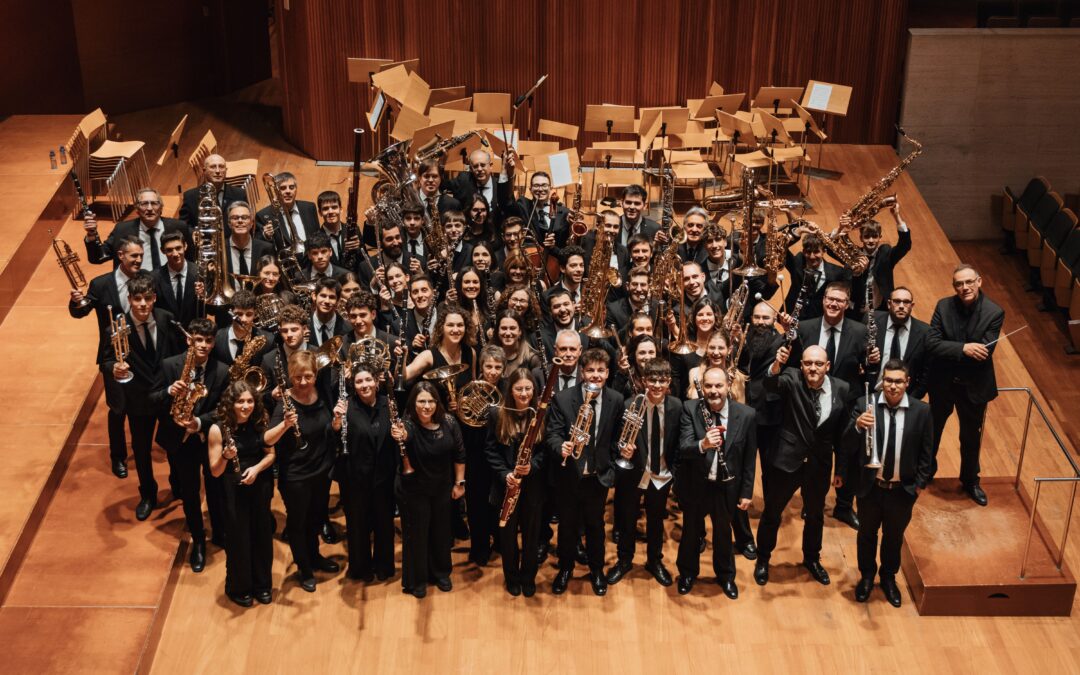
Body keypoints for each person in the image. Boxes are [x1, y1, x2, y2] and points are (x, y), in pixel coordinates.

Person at [755, 344, 850, 587]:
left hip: (818, 465)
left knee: (816, 515)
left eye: (818, 364)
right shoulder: (791, 379)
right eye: (808, 363)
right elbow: (770, 384)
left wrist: (840, 470)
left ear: (827, 366)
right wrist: (777, 365)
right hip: (787, 460)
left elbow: (840, 434)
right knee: (772, 513)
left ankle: (811, 559)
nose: (813, 368)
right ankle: (763, 559)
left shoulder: (842, 388)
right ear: (801, 365)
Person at [841, 359, 933, 608]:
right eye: (888, 380)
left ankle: (889, 578)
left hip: (902, 491)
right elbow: (846, 445)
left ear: (907, 383)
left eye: (898, 381)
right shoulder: (864, 405)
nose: (892, 386)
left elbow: (927, 452)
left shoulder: (921, 411)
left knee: (894, 537)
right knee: (867, 535)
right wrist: (858, 426)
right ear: (883, 381)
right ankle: (867, 577)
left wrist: (919, 484)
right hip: (871, 488)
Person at [791, 280, 877, 529]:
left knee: (847, 456)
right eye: (830, 298)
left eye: (839, 300)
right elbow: (796, 365)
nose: (833, 304)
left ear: (847, 304)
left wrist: (872, 361)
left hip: (846, 406)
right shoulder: (805, 328)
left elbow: (868, 372)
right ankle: (810, 504)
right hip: (813, 405)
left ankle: (843, 506)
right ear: (823, 300)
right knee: (813, 458)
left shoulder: (860, 332)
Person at [102, 272, 183, 520]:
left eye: (147, 298)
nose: (142, 304)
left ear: (154, 298)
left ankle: (177, 484)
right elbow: (104, 360)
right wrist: (113, 368)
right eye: (137, 299)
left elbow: (178, 354)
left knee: (174, 446)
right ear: (129, 299)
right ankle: (147, 493)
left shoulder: (166, 319)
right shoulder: (116, 328)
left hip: (168, 396)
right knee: (141, 449)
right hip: (139, 399)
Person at [151, 317, 230, 572]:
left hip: (207, 439)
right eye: (198, 340)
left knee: (216, 488)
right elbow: (152, 399)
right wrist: (167, 392)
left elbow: (225, 409)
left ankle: (219, 532)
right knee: (190, 493)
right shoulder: (169, 365)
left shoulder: (221, 370)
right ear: (189, 340)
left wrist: (199, 422)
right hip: (180, 441)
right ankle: (198, 541)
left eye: (208, 340)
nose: (204, 345)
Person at [547, 347, 625, 596]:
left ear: (608, 372)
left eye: (600, 371)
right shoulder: (563, 398)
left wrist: (611, 467)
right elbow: (553, 433)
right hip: (569, 474)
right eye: (590, 370)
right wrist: (562, 446)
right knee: (567, 526)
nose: (595, 375)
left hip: (598, 477)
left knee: (595, 526)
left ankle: (597, 570)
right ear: (582, 372)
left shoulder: (615, 399)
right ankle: (565, 568)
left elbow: (615, 437)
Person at [675, 366, 757, 597]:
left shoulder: (746, 415)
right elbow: (683, 447)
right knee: (691, 533)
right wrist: (703, 444)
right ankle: (688, 574)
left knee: (723, 533)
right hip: (697, 485)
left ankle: (726, 576)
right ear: (702, 386)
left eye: (718, 385)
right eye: (708, 385)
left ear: (728, 386)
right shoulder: (690, 409)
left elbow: (749, 458)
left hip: (726, 486)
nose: (713, 391)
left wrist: (746, 492)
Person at [926, 264, 1004, 506]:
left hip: (973, 386)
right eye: (959, 284)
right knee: (932, 431)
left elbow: (984, 353)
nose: (964, 287)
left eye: (969, 282)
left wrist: (951, 349)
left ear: (979, 282)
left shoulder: (994, 312)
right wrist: (963, 348)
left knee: (970, 437)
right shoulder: (943, 306)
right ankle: (925, 472)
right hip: (944, 383)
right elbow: (931, 343)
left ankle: (970, 480)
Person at [69, 236, 144, 478]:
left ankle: (141, 451)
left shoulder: (146, 280)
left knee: (140, 409)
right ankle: (118, 457)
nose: (139, 260)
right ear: (120, 256)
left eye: (141, 256)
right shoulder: (101, 284)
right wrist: (76, 302)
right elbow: (82, 311)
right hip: (113, 357)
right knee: (118, 409)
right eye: (134, 256)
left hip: (142, 355)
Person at [264, 350, 338, 592]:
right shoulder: (284, 402)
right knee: (298, 523)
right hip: (295, 475)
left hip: (321, 470)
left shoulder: (322, 394)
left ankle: (315, 556)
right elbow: (267, 439)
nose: (303, 382)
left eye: (308, 376)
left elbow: (329, 428)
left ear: (315, 375)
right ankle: (304, 567)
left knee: (316, 518)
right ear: (290, 377)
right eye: (298, 378)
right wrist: (285, 424)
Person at [607, 359, 682, 588]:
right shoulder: (630, 404)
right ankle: (624, 560)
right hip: (634, 473)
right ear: (642, 381)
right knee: (627, 520)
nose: (657, 385)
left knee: (656, 521)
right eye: (652, 380)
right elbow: (615, 438)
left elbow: (678, 443)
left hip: (661, 473)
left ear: (669, 381)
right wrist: (623, 448)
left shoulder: (677, 407)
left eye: (662, 380)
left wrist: (674, 472)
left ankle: (654, 561)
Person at [393, 381, 466, 598]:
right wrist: (400, 435)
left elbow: (460, 455)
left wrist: (459, 483)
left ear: (437, 402)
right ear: (414, 403)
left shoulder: (450, 422)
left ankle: (441, 573)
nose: (426, 406)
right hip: (414, 489)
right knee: (417, 534)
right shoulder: (408, 425)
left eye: (430, 401)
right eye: (421, 401)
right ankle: (418, 579)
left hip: (442, 487)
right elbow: (404, 435)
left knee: (441, 532)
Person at [208, 381, 276, 607]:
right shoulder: (218, 429)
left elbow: (270, 455)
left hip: (259, 484)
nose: (245, 406)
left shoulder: (259, 423)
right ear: (231, 404)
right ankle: (239, 587)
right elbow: (215, 471)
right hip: (232, 489)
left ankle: (262, 585)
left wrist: (256, 469)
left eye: (249, 401)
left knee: (262, 535)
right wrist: (226, 457)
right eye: (240, 402)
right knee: (239, 539)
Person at [333, 361, 398, 581]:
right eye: (359, 381)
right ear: (353, 384)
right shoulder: (346, 406)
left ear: (376, 382)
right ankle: (360, 569)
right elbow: (332, 437)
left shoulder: (387, 403)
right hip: (355, 479)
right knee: (357, 526)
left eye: (368, 380)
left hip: (383, 477)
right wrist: (335, 421)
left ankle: (384, 567)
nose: (364, 385)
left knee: (384, 524)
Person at [486, 368, 545, 597]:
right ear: (510, 390)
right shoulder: (497, 414)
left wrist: (532, 467)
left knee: (531, 533)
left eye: (528, 388)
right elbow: (490, 450)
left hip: (532, 486)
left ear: (534, 389)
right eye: (519, 388)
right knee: (507, 536)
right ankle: (511, 577)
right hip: (507, 485)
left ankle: (528, 577)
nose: (523, 393)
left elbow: (544, 452)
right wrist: (505, 474)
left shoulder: (540, 414)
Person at [84, 187, 192, 270]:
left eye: (154, 203)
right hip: (135, 289)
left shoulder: (178, 227)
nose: (149, 208)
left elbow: (192, 259)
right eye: (144, 204)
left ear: (161, 208)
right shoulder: (122, 229)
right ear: (137, 209)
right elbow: (98, 258)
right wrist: (91, 235)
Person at [874, 287, 930, 398]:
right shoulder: (872, 320)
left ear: (912, 306)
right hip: (873, 392)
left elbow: (927, 372)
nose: (901, 306)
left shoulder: (925, 332)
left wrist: (912, 398)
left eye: (906, 302)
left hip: (906, 397)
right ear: (889, 304)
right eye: (897, 301)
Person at [178, 154, 246, 231]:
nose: (217, 171)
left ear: (226, 170)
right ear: (204, 171)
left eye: (221, 167)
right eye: (213, 167)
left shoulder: (239, 194)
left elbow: (246, 222)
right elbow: (184, 226)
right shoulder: (190, 196)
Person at [256, 171, 320, 253]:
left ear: (296, 189)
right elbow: (257, 243)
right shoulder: (263, 215)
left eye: (291, 187)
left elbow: (318, 235)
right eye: (283, 188)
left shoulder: (309, 208)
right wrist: (265, 235)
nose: (288, 191)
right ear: (275, 191)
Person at [154, 230, 198, 326]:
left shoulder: (200, 273)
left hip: (194, 333)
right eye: (169, 250)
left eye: (178, 248)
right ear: (162, 250)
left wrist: (204, 295)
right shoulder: (155, 277)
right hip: (167, 336)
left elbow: (211, 310)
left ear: (185, 246)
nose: (175, 254)